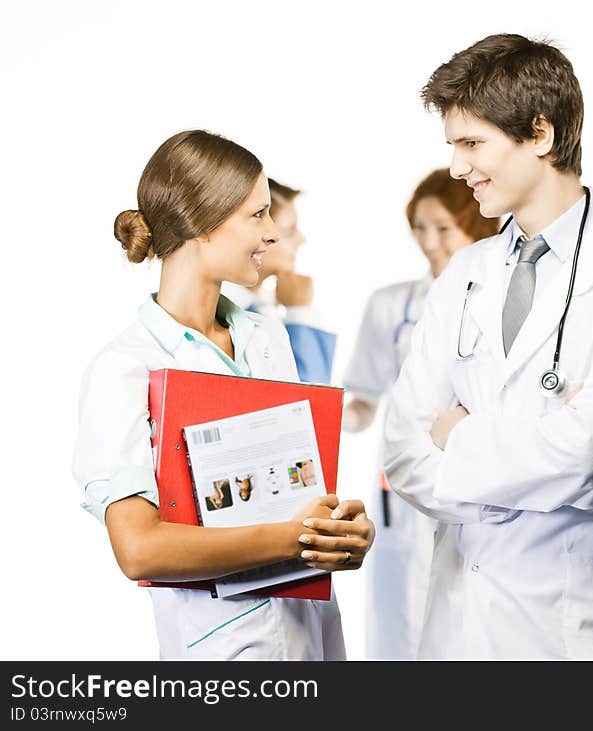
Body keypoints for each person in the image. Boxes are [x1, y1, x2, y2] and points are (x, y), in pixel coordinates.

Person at [382, 34, 593, 659]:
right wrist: (535, 448)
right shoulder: (464, 274)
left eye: (473, 144)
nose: (456, 168)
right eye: (453, 146)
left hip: (573, 627)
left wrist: (459, 437)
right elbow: (400, 448)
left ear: (541, 134)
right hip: (459, 622)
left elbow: (589, 454)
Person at [72, 129, 375, 660]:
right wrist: (297, 538)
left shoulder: (266, 338)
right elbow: (139, 549)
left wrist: (338, 535)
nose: (274, 232)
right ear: (202, 223)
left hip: (311, 637)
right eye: (257, 215)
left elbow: (292, 486)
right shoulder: (124, 369)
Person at [341, 168, 498, 659]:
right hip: (405, 487)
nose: (429, 242)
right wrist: (319, 421)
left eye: (443, 227)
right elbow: (363, 399)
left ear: (474, 223)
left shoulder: (502, 296)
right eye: (419, 227)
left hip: (483, 471)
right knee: (401, 618)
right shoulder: (392, 305)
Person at [223, 178, 336, 384]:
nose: (301, 239)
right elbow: (305, 399)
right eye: (290, 230)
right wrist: (300, 312)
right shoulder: (226, 315)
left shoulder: (265, 306)